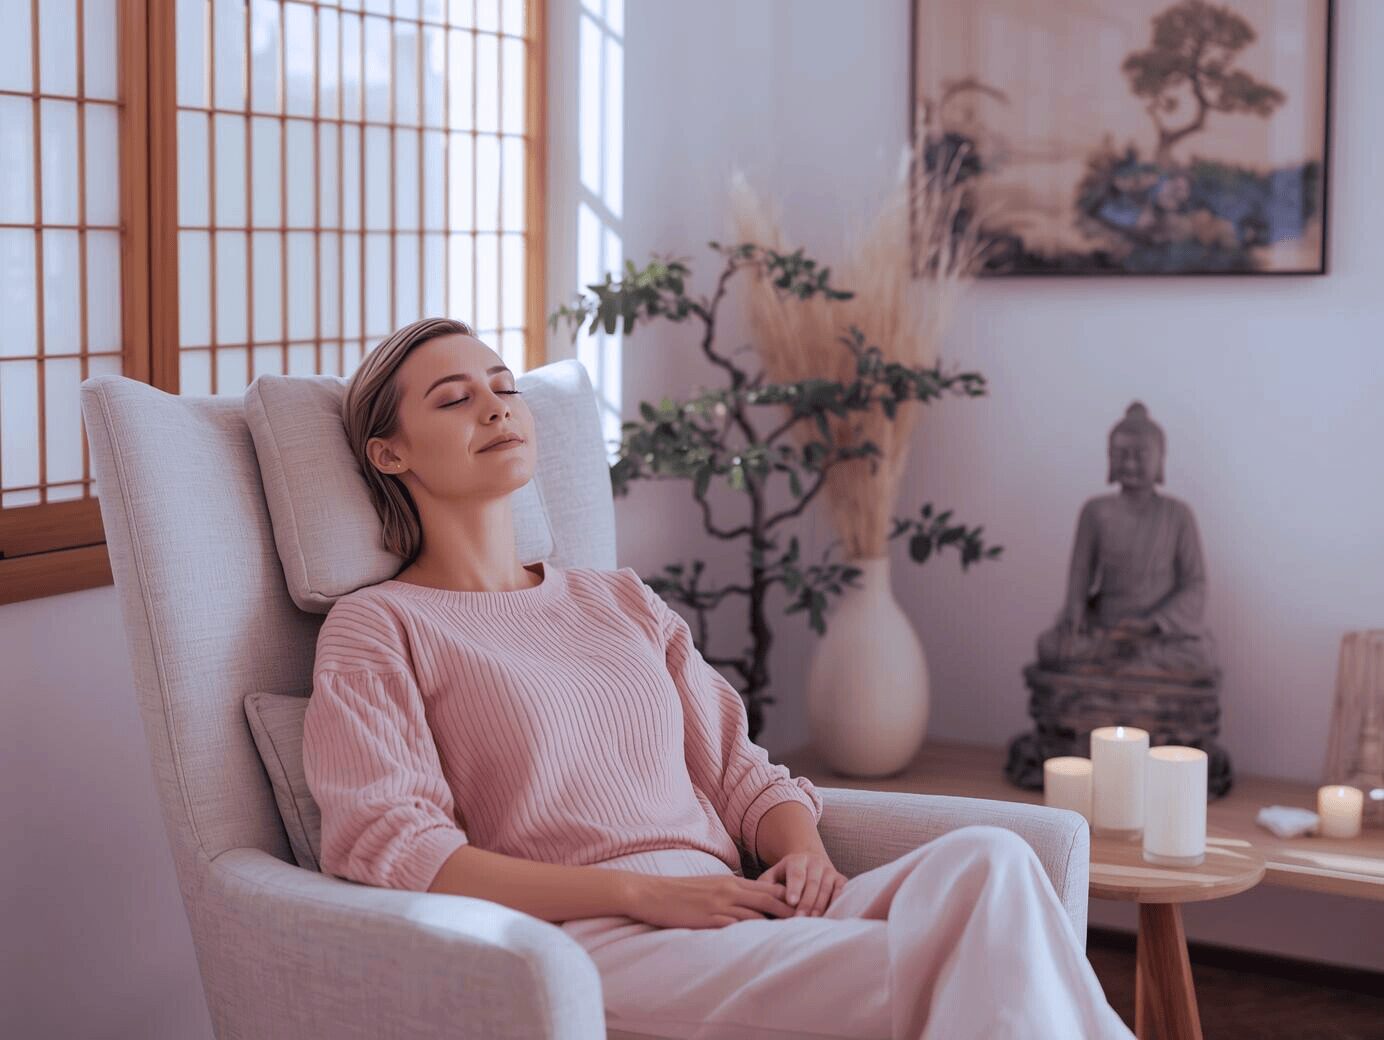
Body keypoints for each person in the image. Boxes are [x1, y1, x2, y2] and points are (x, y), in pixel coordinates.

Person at [302, 316, 1135, 1039]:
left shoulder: (618, 600)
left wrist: (803, 852)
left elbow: (742, 774)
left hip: (736, 902)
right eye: (452, 399)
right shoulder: (380, 627)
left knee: (995, 858)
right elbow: (396, 849)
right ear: (389, 451)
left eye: (503, 386)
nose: (494, 407)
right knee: (990, 969)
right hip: (596, 939)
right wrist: (638, 895)